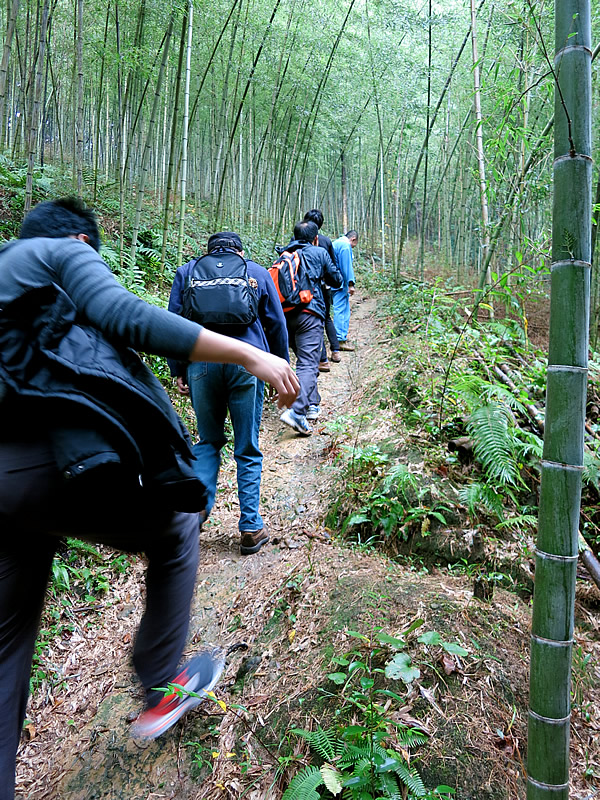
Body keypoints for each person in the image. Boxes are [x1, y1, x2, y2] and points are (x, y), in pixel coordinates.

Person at [0, 199, 299, 800]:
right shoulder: (61, 253)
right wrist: (250, 352)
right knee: (178, 527)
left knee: (7, 647)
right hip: (37, 467)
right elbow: (125, 316)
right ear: (82, 242)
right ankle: (163, 683)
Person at [168, 232, 289, 556]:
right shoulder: (256, 272)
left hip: (202, 366)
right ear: (240, 250)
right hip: (247, 365)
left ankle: (194, 516)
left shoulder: (187, 272)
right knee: (247, 446)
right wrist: (281, 370)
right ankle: (250, 526)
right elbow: (276, 325)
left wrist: (178, 369)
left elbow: (174, 323)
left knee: (207, 442)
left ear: (208, 252)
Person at [277, 220, 342, 436]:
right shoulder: (318, 252)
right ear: (315, 238)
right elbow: (336, 278)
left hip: (286, 315)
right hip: (309, 313)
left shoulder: (284, 253)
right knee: (308, 364)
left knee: (304, 361)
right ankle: (297, 412)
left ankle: (312, 404)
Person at [302, 209, 341, 371]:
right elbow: (333, 265)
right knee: (326, 318)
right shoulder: (326, 241)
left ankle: (322, 359)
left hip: (306, 289)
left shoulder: (298, 241)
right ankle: (336, 350)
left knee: (314, 321)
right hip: (325, 286)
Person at [331, 230, 359, 349]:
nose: (353, 246)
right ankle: (340, 340)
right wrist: (350, 283)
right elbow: (346, 266)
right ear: (353, 239)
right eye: (355, 244)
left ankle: (338, 337)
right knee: (342, 310)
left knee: (338, 309)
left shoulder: (336, 243)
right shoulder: (345, 246)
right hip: (340, 283)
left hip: (332, 281)